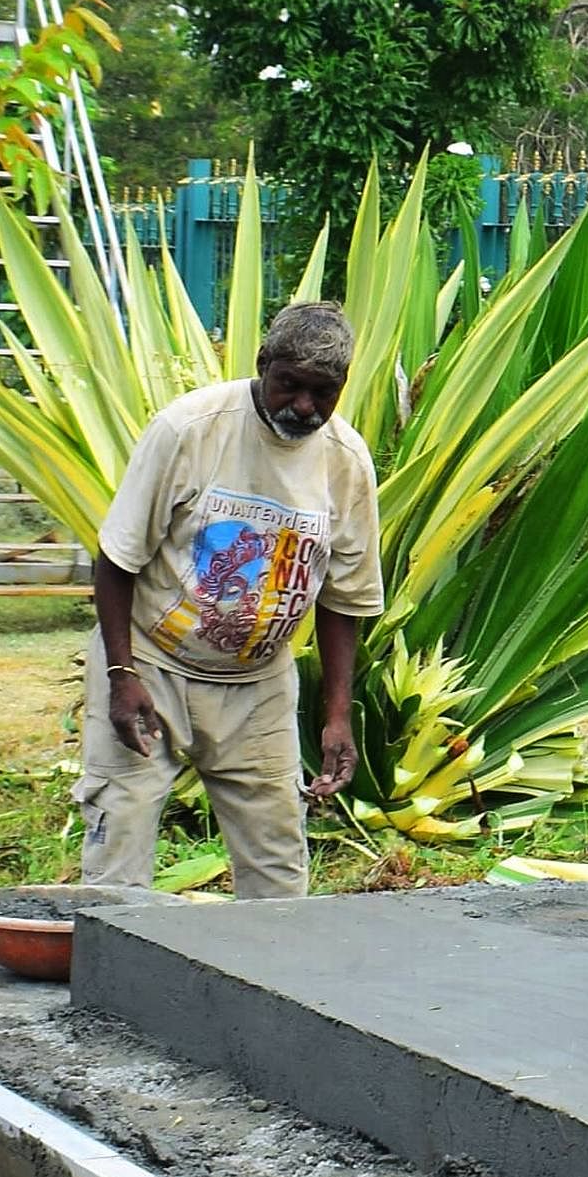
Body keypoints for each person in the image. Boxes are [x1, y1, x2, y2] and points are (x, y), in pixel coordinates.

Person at [81, 299, 384, 897]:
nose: (303, 407)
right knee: (116, 858)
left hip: (259, 687)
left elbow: (344, 600)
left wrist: (337, 716)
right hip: (151, 666)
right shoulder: (189, 429)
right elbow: (116, 560)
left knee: (278, 872)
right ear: (262, 364)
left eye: (322, 393)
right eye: (289, 385)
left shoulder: (346, 463)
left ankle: (271, 978)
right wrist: (122, 674)